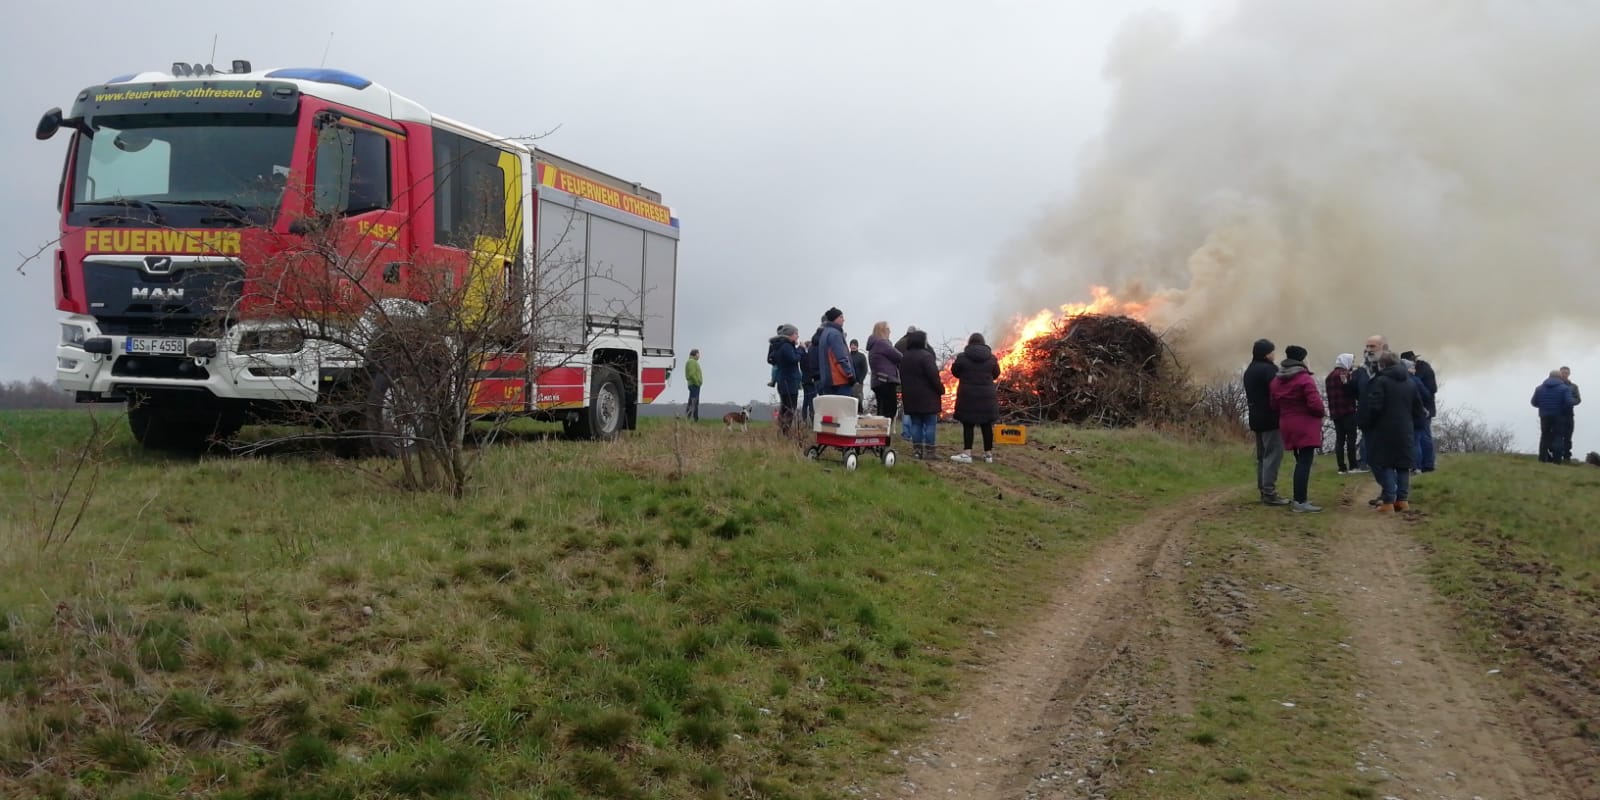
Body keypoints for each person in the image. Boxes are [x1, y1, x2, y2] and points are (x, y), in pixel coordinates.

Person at [1358, 352, 1427, 512]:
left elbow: (1375, 407)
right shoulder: (1410, 382)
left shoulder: (1380, 381)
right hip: (1406, 429)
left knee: (1386, 463)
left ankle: (1389, 501)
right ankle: (1402, 501)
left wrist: (1367, 422)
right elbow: (1418, 409)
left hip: (1384, 429)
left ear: (1382, 365)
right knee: (1403, 465)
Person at [1270, 345, 1327, 512]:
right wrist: (1321, 413)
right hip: (1305, 424)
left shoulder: (1276, 380)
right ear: (1302, 359)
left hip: (1286, 423)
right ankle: (1300, 501)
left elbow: (1273, 404)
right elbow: (1316, 405)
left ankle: (1299, 499)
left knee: (1299, 461)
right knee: (1304, 462)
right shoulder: (1304, 379)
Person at [1244, 338, 1289, 505]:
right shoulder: (1269, 370)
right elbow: (1279, 392)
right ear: (1266, 353)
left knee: (1262, 456)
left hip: (1255, 417)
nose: (1274, 354)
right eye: (1272, 351)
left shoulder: (1250, 370)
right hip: (1271, 419)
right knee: (1273, 455)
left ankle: (1263, 490)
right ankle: (1269, 492)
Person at [949, 332, 1000, 464]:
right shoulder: (992, 358)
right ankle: (988, 455)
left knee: (968, 424)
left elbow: (954, 371)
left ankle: (967, 453)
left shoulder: (962, 357)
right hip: (987, 396)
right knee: (986, 425)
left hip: (968, 396)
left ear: (969, 343)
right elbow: (996, 373)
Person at [898, 329, 944, 459]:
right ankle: (930, 452)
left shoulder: (904, 357)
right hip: (927, 397)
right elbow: (933, 376)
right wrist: (941, 389)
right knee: (930, 423)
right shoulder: (926, 356)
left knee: (916, 423)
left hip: (911, 397)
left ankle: (917, 451)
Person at [1532, 369, 1578, 463]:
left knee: (1544, 436)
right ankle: (1557, 460)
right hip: (1559, 416)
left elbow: (1534, 402)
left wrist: (1543, 407)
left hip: (1544, 416)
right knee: (1558, 437)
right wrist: (1565, 408)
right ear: (1559, 377)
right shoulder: (1564, 388)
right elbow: (1569, 402)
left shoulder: (1539, 388)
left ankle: (1542, 459)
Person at [1326, 353, 1360, 474]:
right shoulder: (1345, 375)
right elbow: (1351, 391)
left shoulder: (1329, 376)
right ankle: (1353, 466)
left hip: (1335, 412)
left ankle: (1341, 467)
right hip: (1348, 410)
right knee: (1351, 439)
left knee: (1340, 440)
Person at [768, 325, 803, 433]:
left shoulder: (779, 345)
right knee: (791, 408)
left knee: (784, 407)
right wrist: (800, 349)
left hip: (783, 380)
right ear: (790, 334)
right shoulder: (786, 346)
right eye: (796, 334)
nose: (798, 336)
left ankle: (782, 430)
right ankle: (785, 431)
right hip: (789, 381)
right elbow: (794, 359)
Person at [867, 321, 903, 424]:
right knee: (889, 411)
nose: (890, 331)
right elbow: (899, 356)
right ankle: (885, 436)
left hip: (877, 381)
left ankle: (880, 435)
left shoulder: (873, 345)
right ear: (882, 330)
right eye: (888, 329)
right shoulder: (882, 343)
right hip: (886, 380)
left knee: (881, 410)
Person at [1404, 359, 1436, 475]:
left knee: (1418, 440)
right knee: (1419, 439)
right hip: (1421, 412)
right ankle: (1424, 465)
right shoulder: (1418, 377)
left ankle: (1421, 465)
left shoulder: (1412, 380)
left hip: (1417, 413)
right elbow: (1428, 393)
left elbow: (1426, 394)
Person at [815, 307, 855, 397]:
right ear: (835, 318)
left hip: (828, 380)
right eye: (841, 317)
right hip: (839, 381)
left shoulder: (824, 334)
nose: (843, 319)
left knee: (832, 410)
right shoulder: (834, 334)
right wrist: (849, 374)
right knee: (844, 409)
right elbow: (840, 357)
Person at [1561, 366, 1581, 462]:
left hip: (1569, 414)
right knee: (1557, 435)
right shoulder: (1556, 385)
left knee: (1568, 436)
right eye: (1563, 372)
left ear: (1569, 374)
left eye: (1566, 373)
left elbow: (1578, 399)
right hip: (1558, 414)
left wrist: (1571, 401)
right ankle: (1556, 455)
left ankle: (1567, 456)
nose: (1564, 374)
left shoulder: (1573, 387)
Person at [848, 338, 869, 411]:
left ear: (857, 346)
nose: (853, 346)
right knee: (850, 400)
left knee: (859, 399)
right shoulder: (847, 356)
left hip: (858, 383)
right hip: (849, 382)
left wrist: (860, 380)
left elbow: (865, 369)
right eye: (852, 345)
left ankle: (860, 412)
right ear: (850, 346)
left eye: (855, 345)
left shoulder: (861, 356)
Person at [684, 349, 703, 422]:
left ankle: (688, 417)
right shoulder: (691, 362)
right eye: (698, 354)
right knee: (694, 402)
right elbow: (691, 374)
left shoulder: (692, 362)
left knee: (692, 401)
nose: (699, 356)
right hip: (694, 385)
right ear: (695, 354)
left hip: (694, 384)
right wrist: (697, 382)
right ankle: (695, 419)